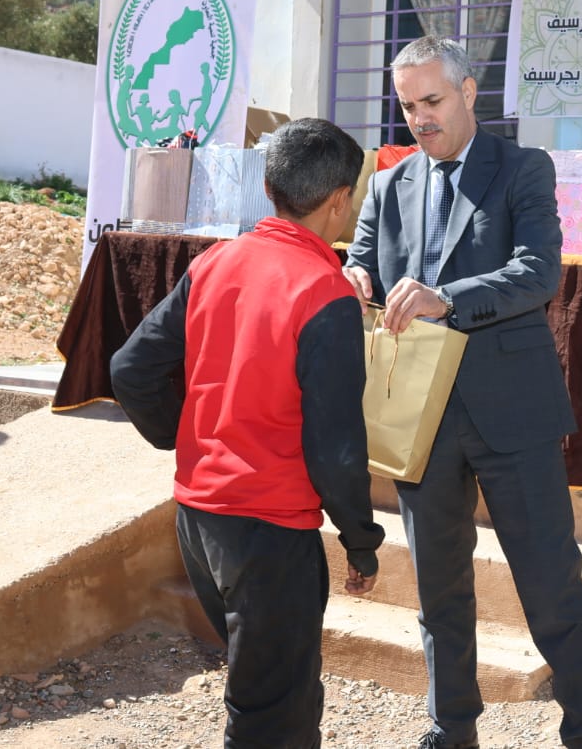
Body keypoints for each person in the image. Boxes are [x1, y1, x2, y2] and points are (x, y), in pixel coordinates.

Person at [343, 35, 582, 749]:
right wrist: (355, 278)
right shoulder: (389, 185)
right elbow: (360, 261)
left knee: (550, 583)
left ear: (469, 93)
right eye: (408, 106)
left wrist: (447, 298)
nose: (420, 118)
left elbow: (539, 272)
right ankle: (451, 726)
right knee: (438, 587)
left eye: (432, 101)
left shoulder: (523, 167)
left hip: (511, 409)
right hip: (416, 418)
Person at [110, 117, 386, 749]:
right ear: (341, 198)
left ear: (268, 188)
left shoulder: (216, 261)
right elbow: (337, 447)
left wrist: (184, 438)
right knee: (271, 716)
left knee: (264, 690)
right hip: (271, 532)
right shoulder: (325, 292)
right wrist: (361, 540)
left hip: (199, 519)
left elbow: (130, 368)